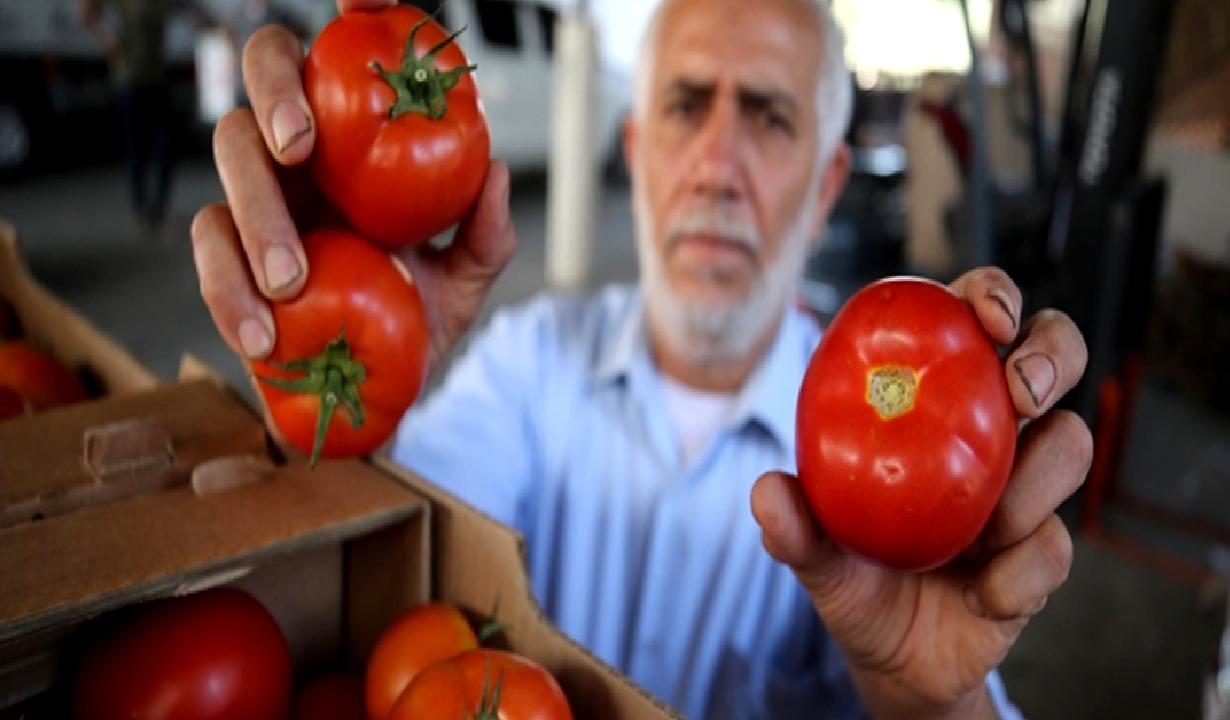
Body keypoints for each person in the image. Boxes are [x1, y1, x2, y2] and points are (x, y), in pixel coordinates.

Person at [191, 0, 1092, 716]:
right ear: (636, 151)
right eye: (687, 106)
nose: (717, 165)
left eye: (771, 118)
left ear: (824, 190)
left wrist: (933, 705)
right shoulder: (527, 364)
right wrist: (326, 331)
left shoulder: (911, 508)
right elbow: (359, 551)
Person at [81, 0, 216, 230]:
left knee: (165, 145)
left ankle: (160, 206)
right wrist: (107, 39)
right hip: (128, 81)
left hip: (157, 80)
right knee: (136, 147)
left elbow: (192, 11)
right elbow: (88, 11)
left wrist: (217, 27)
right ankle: (140, 205)